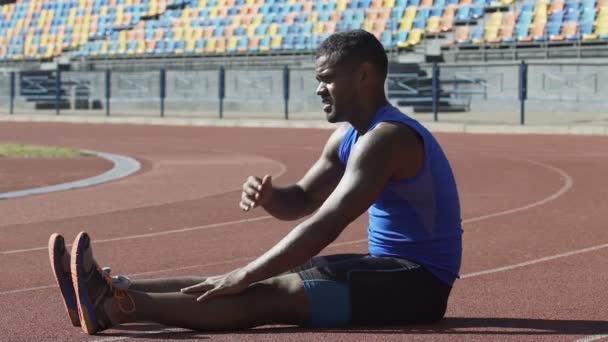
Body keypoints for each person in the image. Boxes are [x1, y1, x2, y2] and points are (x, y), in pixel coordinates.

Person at [48, 30, 463, 335]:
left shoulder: (387, 138)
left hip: (418, 284)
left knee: (264, 293)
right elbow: (301, 200)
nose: (319, 89)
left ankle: (115, 308)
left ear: (365, 76)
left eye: (328, 78)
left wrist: (245, 274)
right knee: (248, 281)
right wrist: (270, 197)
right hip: (386, 270)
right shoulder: (348, 137)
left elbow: (326, 222)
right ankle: (108, 288)